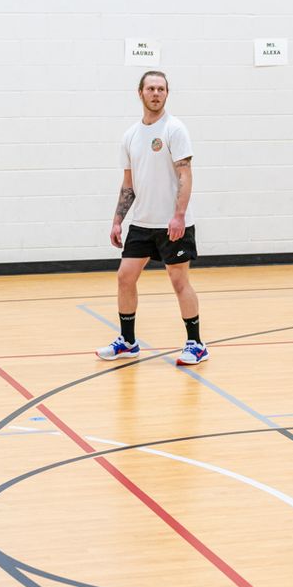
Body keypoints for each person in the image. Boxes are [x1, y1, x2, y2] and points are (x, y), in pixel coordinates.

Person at [97, 71, 208, 366]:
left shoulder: (174, 129)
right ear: (140, 93)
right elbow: (128, 183)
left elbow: (185, 174)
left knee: (178, 281)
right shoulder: (130, 136)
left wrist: (179, 216)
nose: (156, 93)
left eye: (161, 89)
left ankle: (196, 344)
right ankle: (128, 342)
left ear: (167, 94)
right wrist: (118, 220)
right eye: (150, 88)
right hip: (142, 224)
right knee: (125, 277)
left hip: (172, 223)